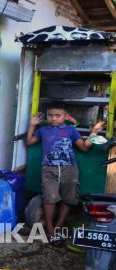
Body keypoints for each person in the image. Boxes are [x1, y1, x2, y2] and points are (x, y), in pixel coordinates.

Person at [26, 102, 105, 244]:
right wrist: (32, 124)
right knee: (49, 198)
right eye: (50, 115)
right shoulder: (43, 130)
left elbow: (85, 147)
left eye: (58, 115)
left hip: (69, 169)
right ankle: (50, 230)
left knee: (69, 199)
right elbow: (30, 141)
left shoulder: (70, 130)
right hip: (48, 168)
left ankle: (58, 227)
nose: (54, 118)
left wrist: (94, 131)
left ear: (65, 116)